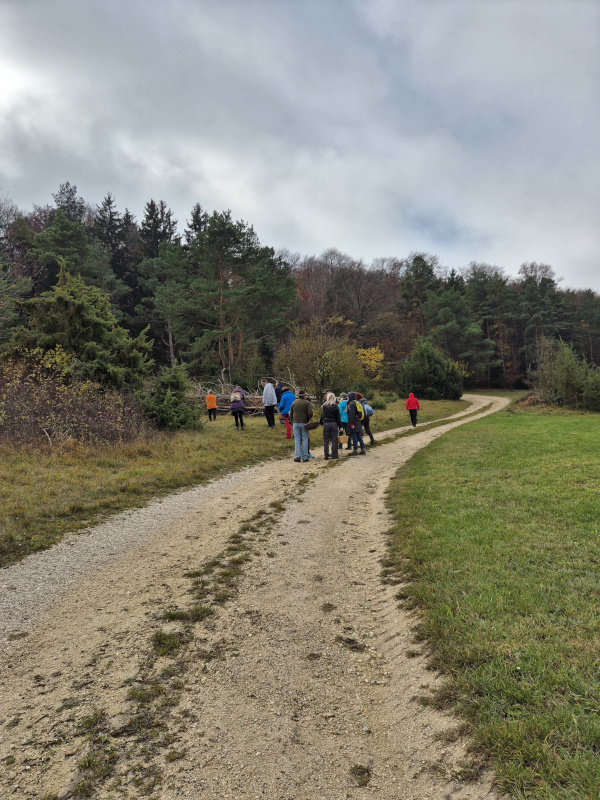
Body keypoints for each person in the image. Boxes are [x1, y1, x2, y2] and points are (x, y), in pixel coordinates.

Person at [289, 389, 313, 462]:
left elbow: (291, 414)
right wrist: (308, 419)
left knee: (297, 439)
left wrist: (292, 422)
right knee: (305, 439)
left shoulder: (294, 403)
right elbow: (310, 413)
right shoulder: (307, 403)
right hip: (304, 423)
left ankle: (297, 456)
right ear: (304, 395)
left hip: (295, 423)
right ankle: (305, 457)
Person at [320, 392, 341, 459]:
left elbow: (322, 415)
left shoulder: (324, 406)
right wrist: (340, 426)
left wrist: (322, 422)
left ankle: (326, 455)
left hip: (326, 424)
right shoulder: (336, 406)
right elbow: (338, 417)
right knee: (334, 440)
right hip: (334, 423)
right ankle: (334, 454)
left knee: (326, 440)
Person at [346, 391, 366, 455]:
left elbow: (352, 414)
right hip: (358, 421)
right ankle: (363, 448)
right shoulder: (356, 402)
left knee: (354, 436)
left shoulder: (351, 404)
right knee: (358, 436)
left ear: (350, 397)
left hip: (354, 422)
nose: (347, 398)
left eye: (348, 396)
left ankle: (355, 450)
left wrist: (351, 424)